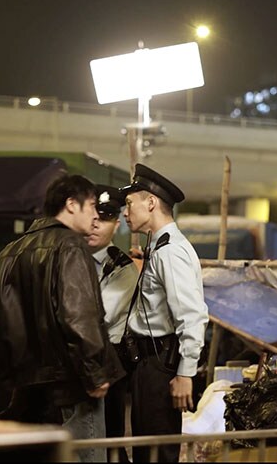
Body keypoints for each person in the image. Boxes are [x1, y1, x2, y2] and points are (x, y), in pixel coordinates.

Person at [0, 174, 123, 463]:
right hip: (70, 389)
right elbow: (78, 316)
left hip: (22, 392)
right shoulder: (70, 246)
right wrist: (96, 373)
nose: (96, 214)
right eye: (91, 205)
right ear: (72, 205)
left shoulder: (10, 252)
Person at [120, 163, 209, 463]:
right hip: (149, 364)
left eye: (129, 203)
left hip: (160, 366)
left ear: (151, 203)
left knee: (157, 454)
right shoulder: (159, 247)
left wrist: (186, 374)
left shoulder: (171, 251)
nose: (125, 211)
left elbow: (193, 316)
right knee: (148, 452)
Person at [87, 185, 140, 456]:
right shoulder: (70, 258)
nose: (96, 225)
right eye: (93, 216)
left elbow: (98, 318)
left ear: (116, 224)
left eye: (105, 218)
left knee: (109, 441)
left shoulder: (120, 266)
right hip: (77, 363)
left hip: (108, 363)